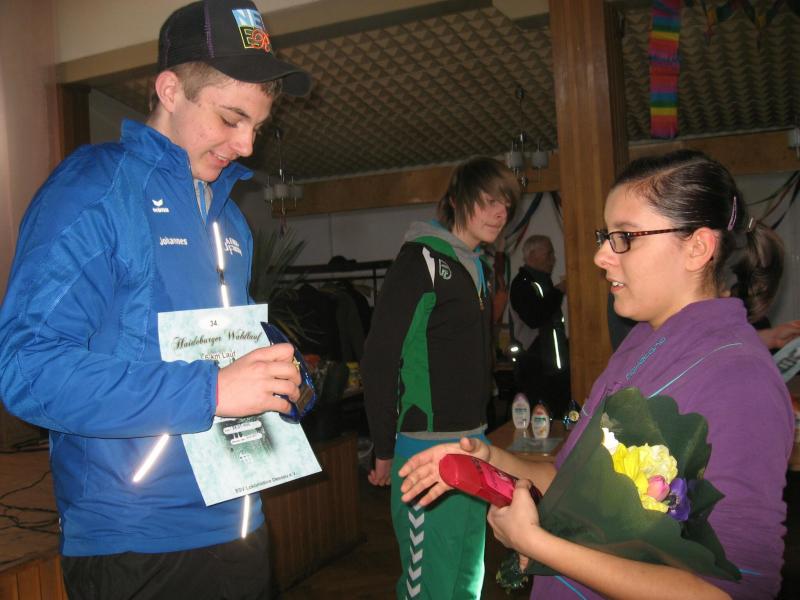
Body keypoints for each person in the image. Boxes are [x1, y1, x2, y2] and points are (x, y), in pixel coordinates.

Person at [0, 1, 312, 598]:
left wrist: (274, 375)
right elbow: (27, 369)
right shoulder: (93, 190)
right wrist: (211, 391)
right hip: (137, 543)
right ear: (170, 90)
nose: (247, 145)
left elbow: (203, 350)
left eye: (258, 126)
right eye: (230, 118)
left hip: (241, 521)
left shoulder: (229, 219)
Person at [398, 150, 793, 599]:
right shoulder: (641, 343)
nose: (601, 255)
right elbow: (572, 482)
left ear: (697, 248)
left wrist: (538, 544)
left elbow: (728, 592)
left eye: (625, 237)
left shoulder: (740, 380)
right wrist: (490, 460)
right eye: (606, 236)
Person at [361, 157, 520, 599]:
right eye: (488, 201)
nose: (500, 213)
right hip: (424, 446)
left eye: (506, 205)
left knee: (467, 574)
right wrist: (383, 447)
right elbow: (379, 357)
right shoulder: (420, 259)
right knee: (429, 584)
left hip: (472, 441)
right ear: (456, 201)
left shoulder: (476, 265)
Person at [509, 234, 570, 418]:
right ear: (533, 255)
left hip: (554, 366)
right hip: (535, 367)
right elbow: (535, 317)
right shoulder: (522, 284)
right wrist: (558, 291)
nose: (553, 259)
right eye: (549, 254)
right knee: (540, 418)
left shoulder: (542, 281)